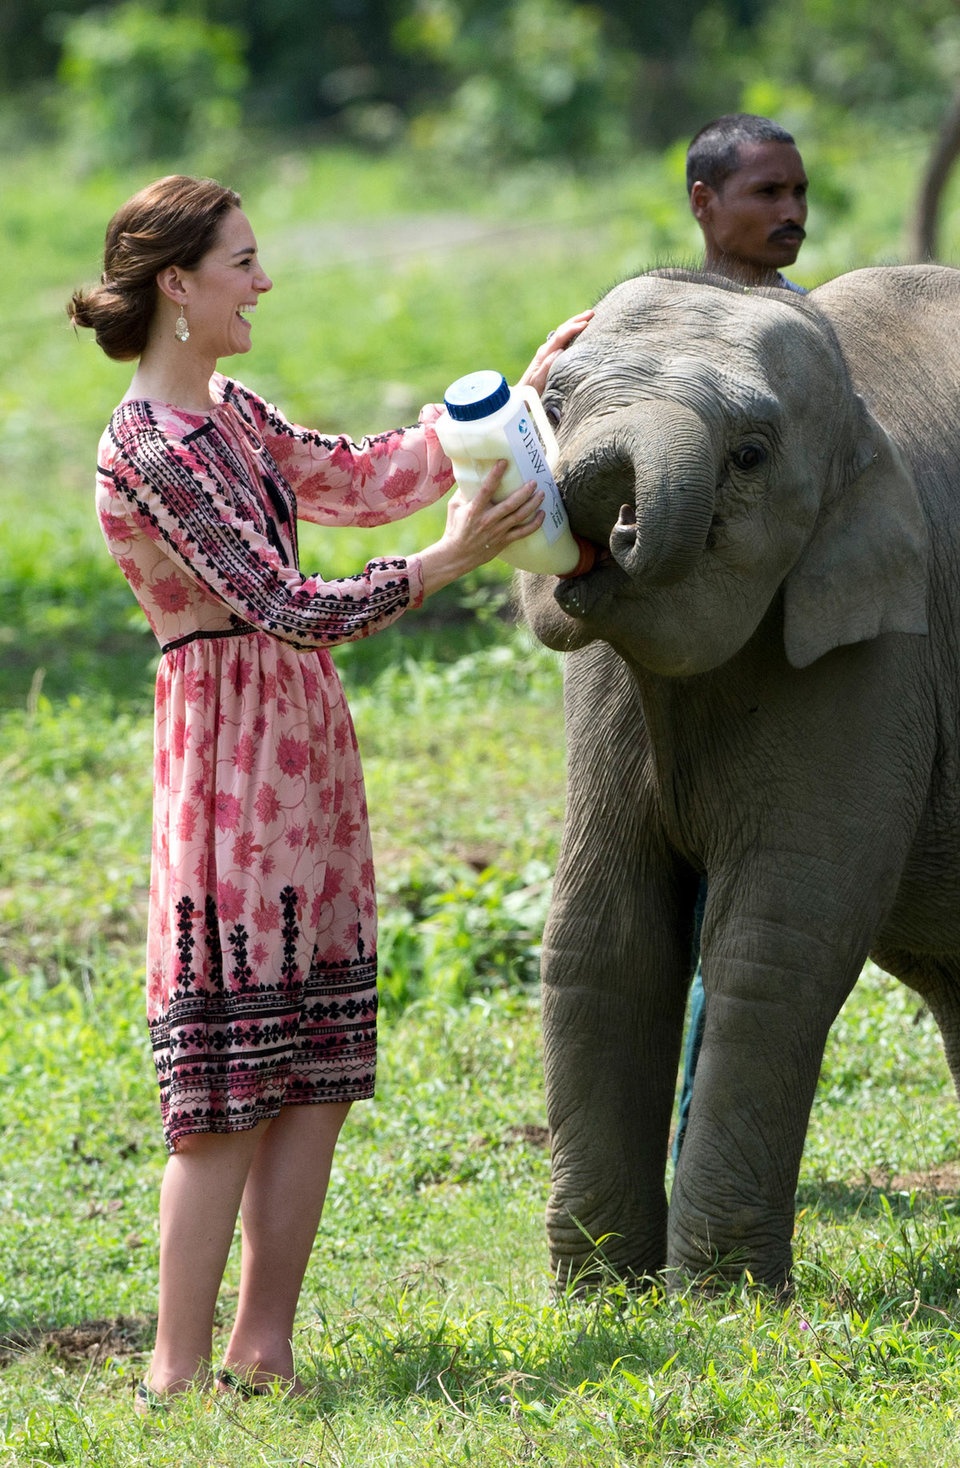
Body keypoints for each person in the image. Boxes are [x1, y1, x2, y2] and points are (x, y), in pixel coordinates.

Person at [68, 174, 591, 1410]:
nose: (262, 280)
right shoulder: (145, 447)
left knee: (314, 1065)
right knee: (223, 1087)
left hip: (303, 747)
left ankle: (264, 1351)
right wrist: (447, 559)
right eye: (241, 262)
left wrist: (509, 403)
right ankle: (172, 1370)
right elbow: (287, 602)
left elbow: (365, 472)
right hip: (227, 762)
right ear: (177, 286)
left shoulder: (235, 415)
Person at [673, 115, 810, 1162]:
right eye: (765, 193)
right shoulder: (657, 331)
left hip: (796, 670)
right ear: (703, 204)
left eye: (797, 193)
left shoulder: (810, 337)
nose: (790, 213)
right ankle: (684, 1142)